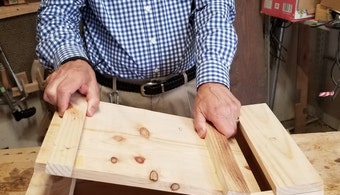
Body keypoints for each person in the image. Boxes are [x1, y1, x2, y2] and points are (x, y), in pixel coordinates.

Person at [36, 0, 240, 139]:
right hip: (109, 100)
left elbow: (214, 8)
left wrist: (213, 78)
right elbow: (58, 13)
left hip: (189, 95)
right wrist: (73, 60)